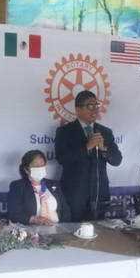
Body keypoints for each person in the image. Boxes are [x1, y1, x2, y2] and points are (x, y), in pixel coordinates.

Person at [54, 90, 122, 221]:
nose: (95, 110)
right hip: (74, 195)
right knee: (73, 231)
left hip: (99, 194)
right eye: (90, 106)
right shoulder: (65, 131)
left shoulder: (105, 132)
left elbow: (117, 160)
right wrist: (87, 147)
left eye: (96, 105)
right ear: (77, 109)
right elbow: (62, 158)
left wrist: (104, 149)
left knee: (100, 232)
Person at [7, 150, 71, 225]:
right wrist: (34, 219)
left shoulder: (54, 184)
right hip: (32, 229)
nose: (40, 168)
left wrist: (61, 227)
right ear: (26, 170)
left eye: (42, 165)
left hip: (57, 227)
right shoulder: (17, 186)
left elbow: (66, 211)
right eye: (36, 166)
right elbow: (14, 214)